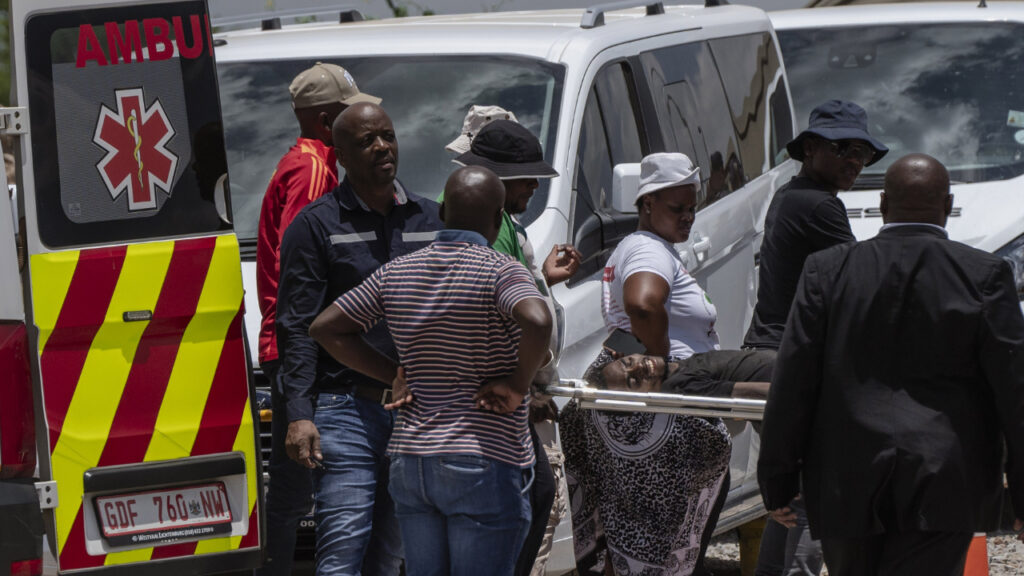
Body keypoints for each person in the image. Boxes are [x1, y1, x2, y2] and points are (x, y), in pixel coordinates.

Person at [757, 153, 1024, 576]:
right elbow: (1014, 391)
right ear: (947, 204)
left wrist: (778, 481)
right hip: (945, 481)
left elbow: (793, 383)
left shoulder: (826, 271)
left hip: (846, 481)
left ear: (882, 204)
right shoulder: (985, 274)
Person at [308, 165, 553, 576]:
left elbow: (325, 328)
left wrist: (394, 374)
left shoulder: (396, 272)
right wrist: (516, 384)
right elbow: (538, 321)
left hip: (412, 460)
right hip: (482, 457)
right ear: (498, 220)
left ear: (442, 214)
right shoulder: (500, 270)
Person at [276, 101, 443, 575]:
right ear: (341, 156)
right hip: (343, 409)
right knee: (343, 547)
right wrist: (300, 416)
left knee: (390, 555)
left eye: (387, 136)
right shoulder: (314, 226)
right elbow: (297, 326)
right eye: (367, 141)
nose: (382, 147)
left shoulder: (431, 220)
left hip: (414, 416)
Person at [559, 152, 731, 575]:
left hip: (649, 415)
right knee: (652, 544)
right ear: (647, 203)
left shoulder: (649, 248)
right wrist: (664, 367)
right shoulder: (647, 250)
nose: (688, 216)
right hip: (657, 415)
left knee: (634, 545)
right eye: (677, 208)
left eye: (693, 207)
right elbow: (643, 304)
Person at [743, 100, 888, 576]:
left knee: (791, 496)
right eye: (843, 147)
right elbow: (859, 283)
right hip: (790, 362)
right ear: (810, 148)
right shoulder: (818, 204)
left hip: (770, 356)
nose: (854, 160)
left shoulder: (792, 194)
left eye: (863, 154)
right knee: (814, 490)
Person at [254, 63, 380, 576]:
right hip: (301, 345)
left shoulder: (306, 160)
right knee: (302, 487)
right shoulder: (312, 169)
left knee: (295, 485)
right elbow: (301, 264)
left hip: (294, 342)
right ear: (328, 120)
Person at [452, 117, 581, 576]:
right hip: (500, 399)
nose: (533, 189)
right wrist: (524, 387)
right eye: (528, 179)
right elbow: (504, 317)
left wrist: (542, 278)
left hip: (510, 394)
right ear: (498, 181)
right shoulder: (493, 235)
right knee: (533, 496)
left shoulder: (506, 227)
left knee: (535, 498)